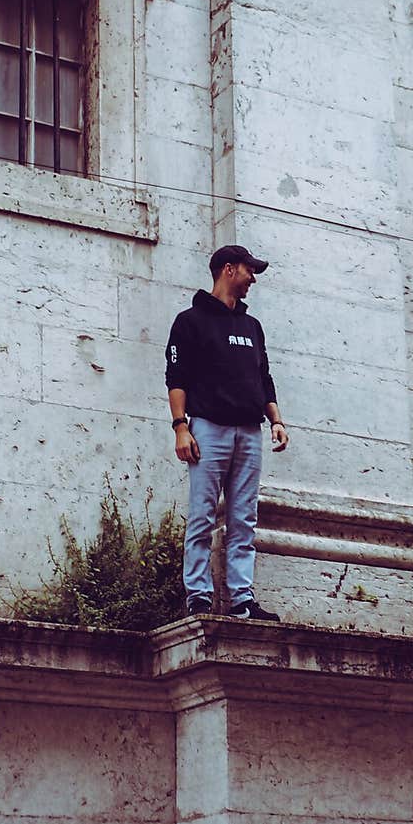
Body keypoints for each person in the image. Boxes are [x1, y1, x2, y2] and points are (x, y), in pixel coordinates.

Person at [165, 244, 289, 620]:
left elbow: (263, 377)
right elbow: (176, 378)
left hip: (249, 433)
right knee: (202, 515)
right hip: (208, 430)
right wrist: (180, 428)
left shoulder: (252, 326)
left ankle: (242, 600)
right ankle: (198, 597)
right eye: (250, 271)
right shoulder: (190, 321)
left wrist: (277, 420)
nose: (253, 279)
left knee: (243, 519)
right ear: (229, 269)